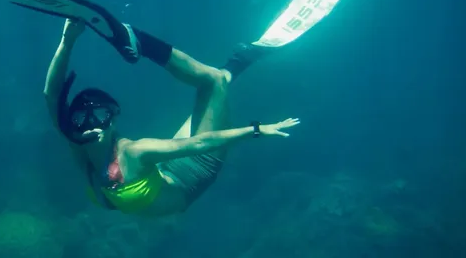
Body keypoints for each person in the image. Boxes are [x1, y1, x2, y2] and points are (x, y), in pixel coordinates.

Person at [43, 18, 300, 216]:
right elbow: (51, 95)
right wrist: (67, 41)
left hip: (195, 167)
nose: (90, 125)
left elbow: (199, 144)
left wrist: (256, 129)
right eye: (81, 118)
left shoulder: (134, 152)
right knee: (213, 89)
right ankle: (239, 61)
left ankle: (144, 43)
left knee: (213, 83)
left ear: (113, 119)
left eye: (99, 115)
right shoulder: (77, 146)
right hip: (174, 175)